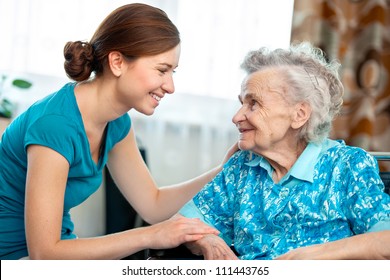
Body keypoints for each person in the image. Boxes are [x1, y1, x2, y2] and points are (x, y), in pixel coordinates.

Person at [0, 3, 238, 260]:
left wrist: (224, 171)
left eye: (173, 72)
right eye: (162, 70)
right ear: (117, 62)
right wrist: (151, 235)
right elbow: (44, 253)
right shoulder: (55, 125)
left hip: (60, 251)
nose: (170, 86)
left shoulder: (117, 123)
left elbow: (153, 204)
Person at [178, 42, 390, 260]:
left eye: (254, 104)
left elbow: (385, 240)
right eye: (242, 103)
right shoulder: (242, 166)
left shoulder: (347, 166)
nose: (237, 117)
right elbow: (184, 223)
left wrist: (311, 257)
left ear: (299, 115)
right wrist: (208, 240)